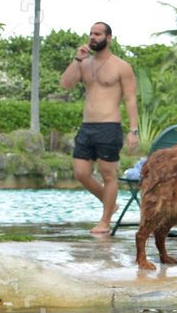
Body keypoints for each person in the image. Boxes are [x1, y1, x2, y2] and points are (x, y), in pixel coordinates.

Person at [59, 22, 139, 236]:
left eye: (98, 34)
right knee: (81, 173)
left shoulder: (122, 66)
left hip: (109, 126)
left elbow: (131, 99)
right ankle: (110, 204)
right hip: (87, 127)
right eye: (91, 34)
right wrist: (77, 59)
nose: (93, 37)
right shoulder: (84, 64)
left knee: (108, 175)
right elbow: (65, 84)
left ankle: (105, 220)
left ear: (109, 38)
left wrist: (133, 130)